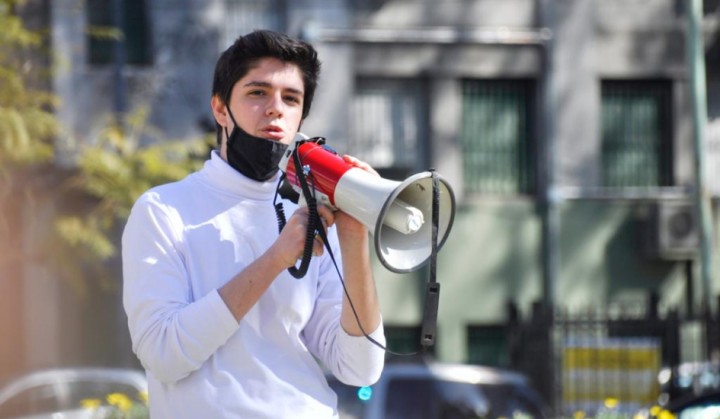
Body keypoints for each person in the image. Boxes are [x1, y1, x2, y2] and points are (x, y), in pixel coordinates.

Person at [122, 29, 386, 418]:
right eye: (257, 92)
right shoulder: (163, 209)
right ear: (221, 109)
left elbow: (359, 367)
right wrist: (275, 259)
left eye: (291, 99)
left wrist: (353, 235)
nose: (276, 108)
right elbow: (163, 355)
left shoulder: (310, 213)